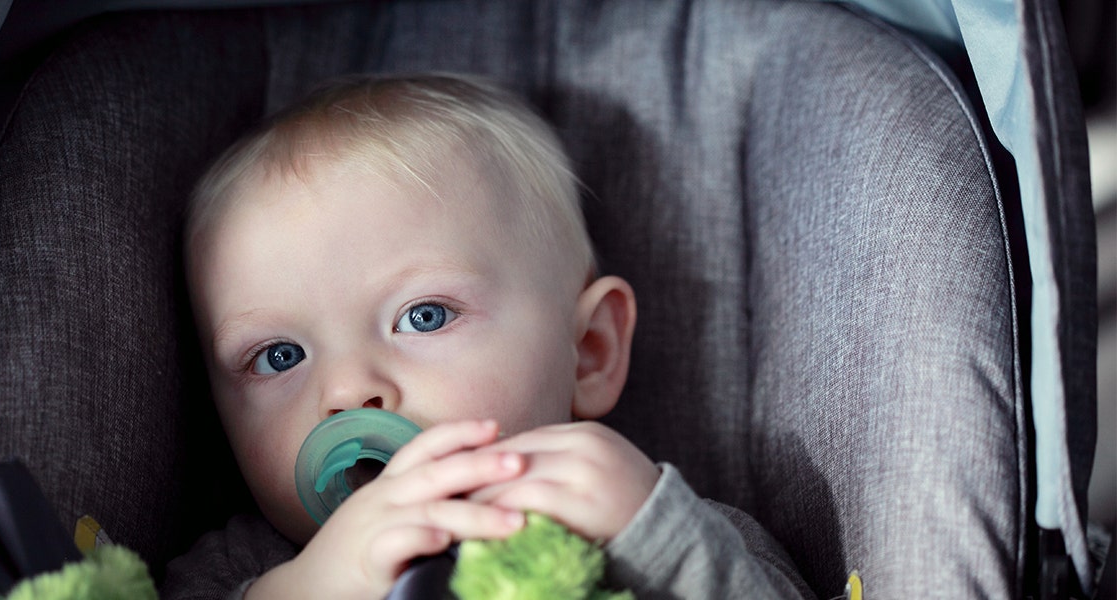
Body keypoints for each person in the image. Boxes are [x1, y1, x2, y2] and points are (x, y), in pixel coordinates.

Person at [166, 73, 814, 599]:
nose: (347, 390)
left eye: (424, 315)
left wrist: (663, 543)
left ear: (588, 351)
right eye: (280, 357)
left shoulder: (651, 525)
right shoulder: (244, 569)